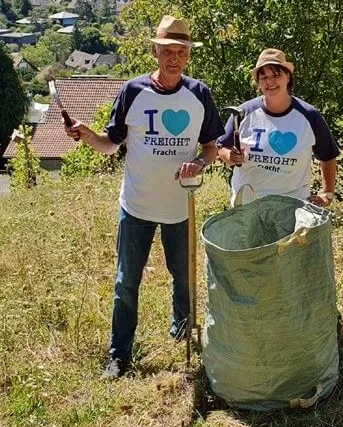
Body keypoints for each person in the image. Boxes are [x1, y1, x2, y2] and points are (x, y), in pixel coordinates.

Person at [65, 15, 225, 379]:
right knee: (126, 281)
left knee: (183, 278)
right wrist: (88, 135)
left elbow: (213, 147)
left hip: (179, 207)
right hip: (135, 206)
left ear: (188, 56)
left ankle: (183, 335)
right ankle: (119, 355)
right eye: (167, 50)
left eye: (181, 51)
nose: (174, 58)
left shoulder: (199, 94)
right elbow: (110, 145)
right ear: (155, 51)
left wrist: (199, 163)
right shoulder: (133, 91)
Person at [217, 48, 339, 207]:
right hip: (247, 206)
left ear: (287, 76)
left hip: (292, 207)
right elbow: (222, 147)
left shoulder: (309, 116)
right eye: (264, 77)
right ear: (258, 82)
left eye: (276, 75)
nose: (270, 82)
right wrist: (230, 156)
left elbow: (328, 155)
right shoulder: (244, 113)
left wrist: (327, 192)